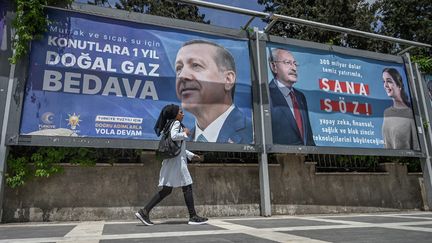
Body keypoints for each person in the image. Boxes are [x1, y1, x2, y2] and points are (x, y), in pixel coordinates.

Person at [135, 104, 208, 225]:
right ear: (175, 114)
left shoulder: (169, 125)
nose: (183, 114)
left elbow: (177, 146)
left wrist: (190, 155)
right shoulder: (176, 124)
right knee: (187, 186)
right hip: (177, 163)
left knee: (167, 190)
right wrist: (185, 133)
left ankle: (144, 212)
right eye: (181, 112)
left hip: (172, 161)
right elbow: (175, 137)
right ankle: (193, 216)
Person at [175, 39, 253, 144]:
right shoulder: (182, 141)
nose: (182, 76)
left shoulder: (254, 133)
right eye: (179, 68)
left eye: (196, 65)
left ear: (228, 79)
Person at [268, 48, 315, 146]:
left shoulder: (300, 97)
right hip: (277, 158)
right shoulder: (266, 94)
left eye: (295, 63)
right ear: (274, 67)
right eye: (288, 63)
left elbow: (308, 136)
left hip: (304, 158)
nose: (294, 68)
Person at [381, 68, 419, 150]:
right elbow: (387, 145)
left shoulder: (412, 111)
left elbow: (417, 143)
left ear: (399, 85)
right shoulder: (387, 113)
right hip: (398, 160)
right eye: (383, 81)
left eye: (389, 81)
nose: (385, 85)